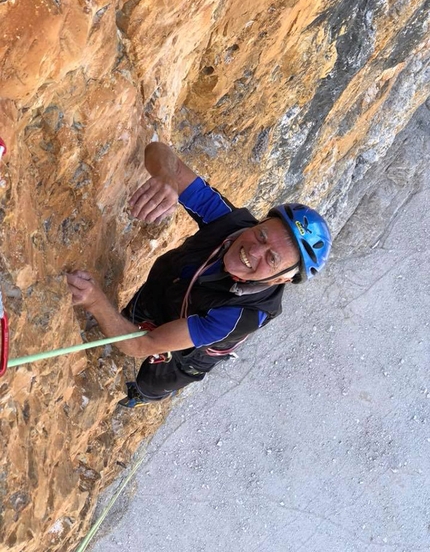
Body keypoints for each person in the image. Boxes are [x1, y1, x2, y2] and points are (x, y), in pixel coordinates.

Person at [67, 142, 331, 408]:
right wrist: (168, 179)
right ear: (259, 222)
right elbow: (157, 151)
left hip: (192, 352)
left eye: (272, 258)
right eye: (261, 235)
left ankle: (142, 396)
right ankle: (127, 326)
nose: (254, 250)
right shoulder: (229, 223)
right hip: (165, 290)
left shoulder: (239, 315)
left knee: (155, 381)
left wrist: (96, 302)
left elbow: (147, 343)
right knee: (132, 316)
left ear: (282, 279)